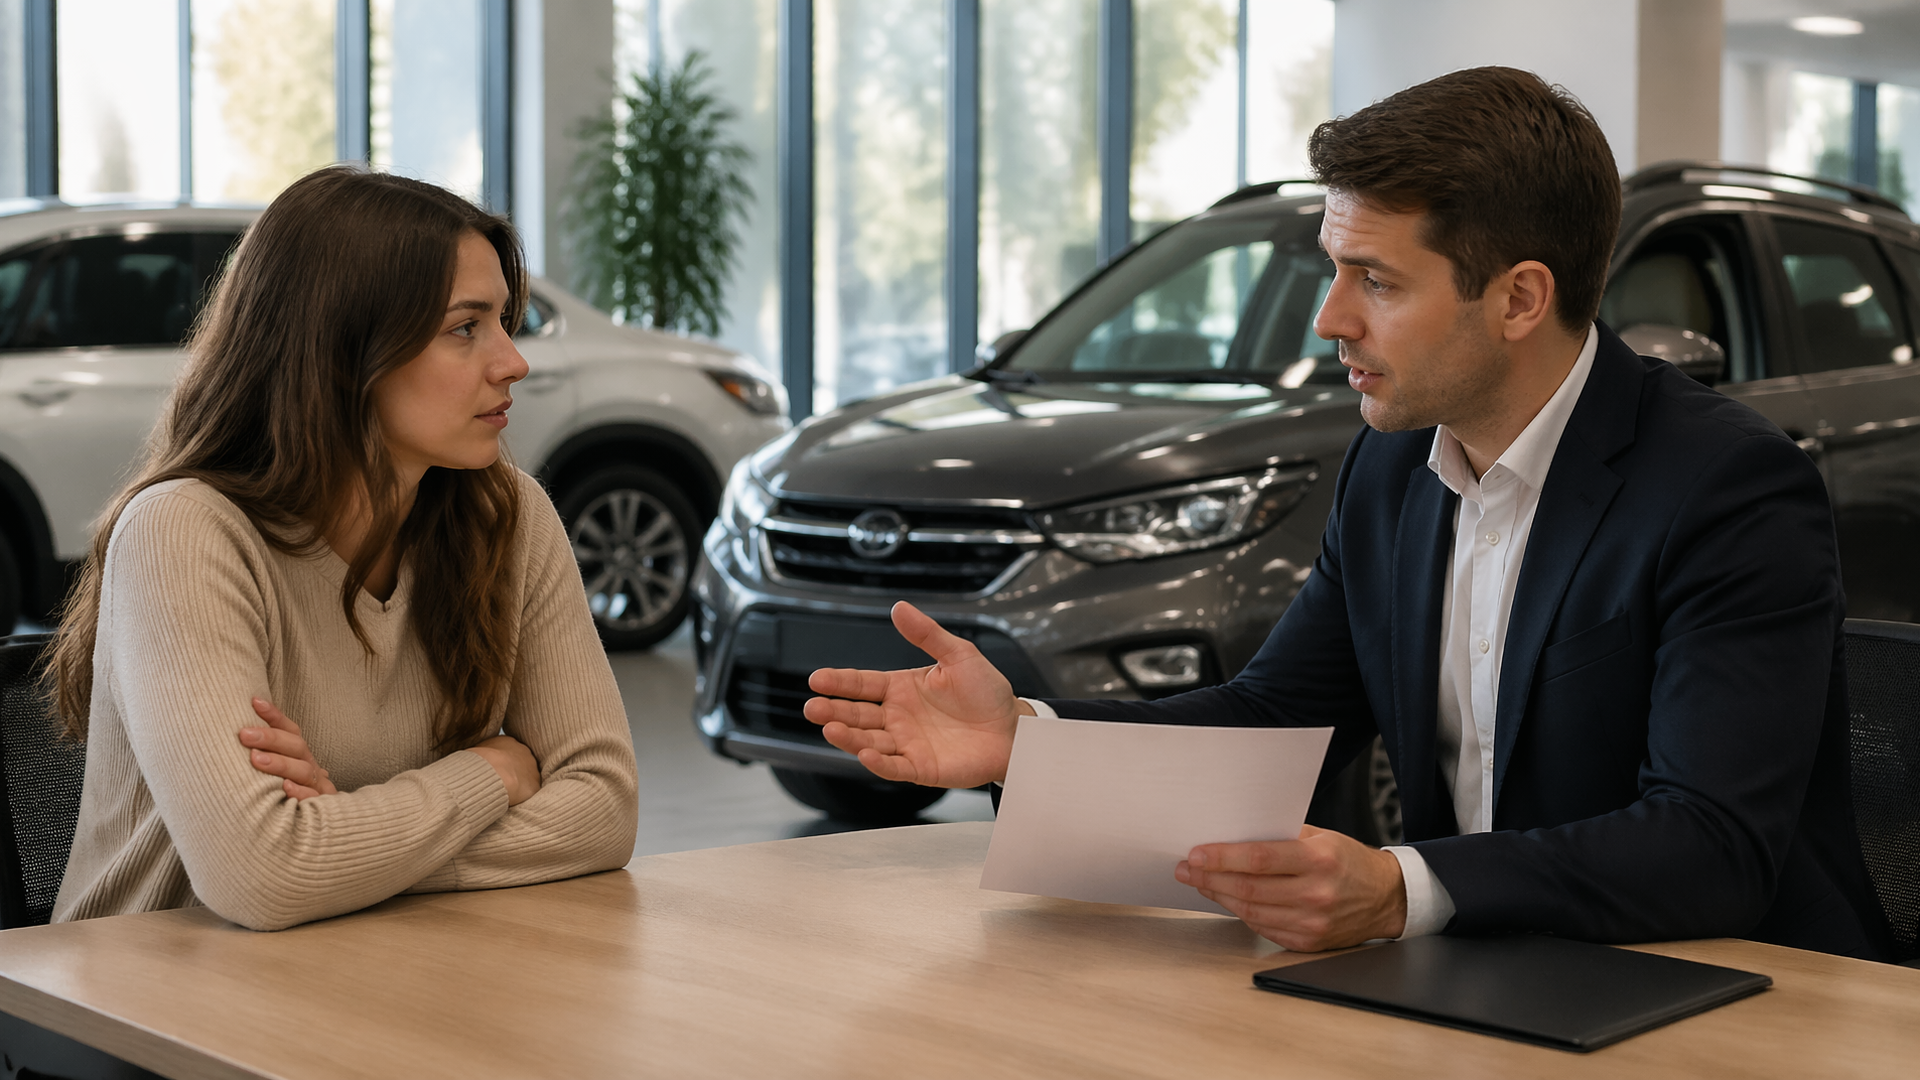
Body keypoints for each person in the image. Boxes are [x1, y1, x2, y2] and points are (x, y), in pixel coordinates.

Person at [804, 67, 1894, 961]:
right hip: (1491, 982)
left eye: (1374, 279)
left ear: (1519, 298)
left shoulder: (1726, 489)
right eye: (1335, 268)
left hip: (1727, 994)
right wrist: (1026, 746)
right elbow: (1279, 714)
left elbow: (1710, 845)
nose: (1330, 319)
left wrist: (1402, 889)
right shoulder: (1387, 475)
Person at [47, 166, 639, 932]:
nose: (512, 361)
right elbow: (262, 874)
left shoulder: (510, 516)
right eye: (466, 327)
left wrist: (348, 846)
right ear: (343, 352)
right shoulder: (183, 532)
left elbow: (603, 808)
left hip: (373, 964)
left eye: (504, 322)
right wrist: (490, 772)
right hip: (143, 1012)